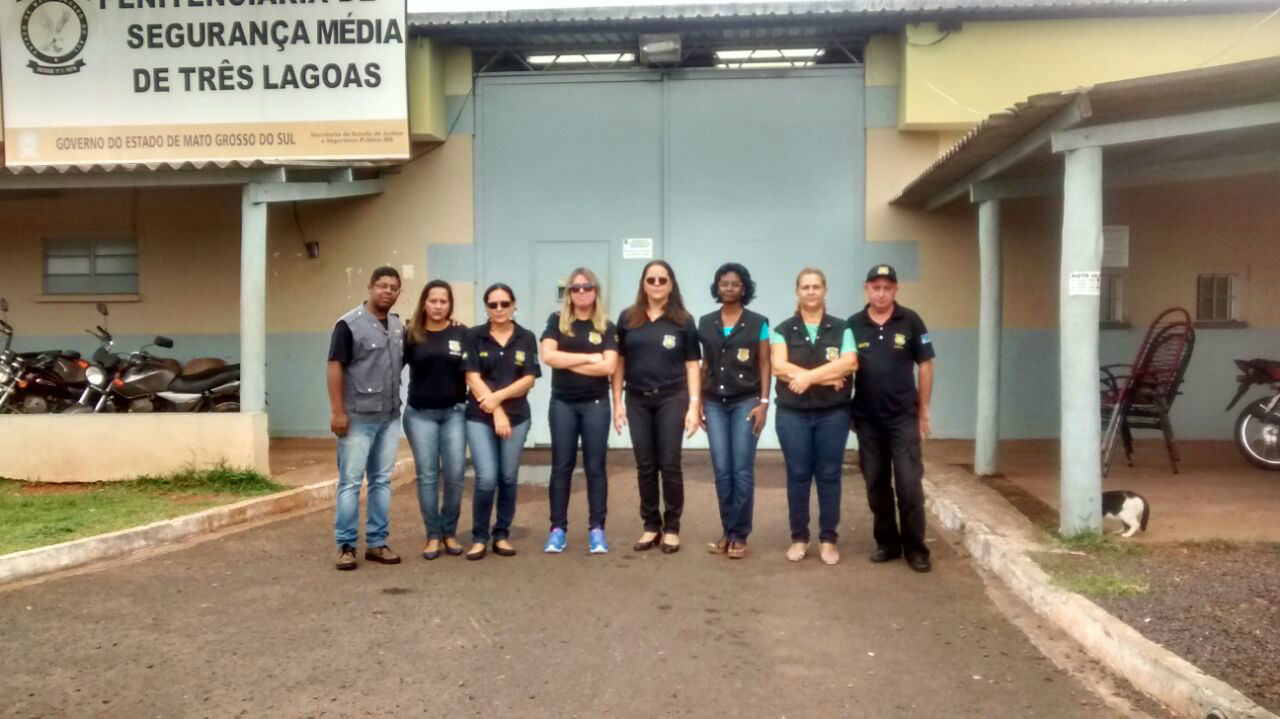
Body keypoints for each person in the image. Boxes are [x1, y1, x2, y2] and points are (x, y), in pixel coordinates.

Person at [848, 264, 937, 573]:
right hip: (867, 419)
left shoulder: (910, 321)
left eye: (887, 287)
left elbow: (925, 365)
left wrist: (923, 410)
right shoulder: (853, 325)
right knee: (876, 483)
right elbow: (845, 369)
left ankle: (916, 548)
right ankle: (887, 543)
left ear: (895, 289)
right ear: (866, 288)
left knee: (909, 483)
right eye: (876, 287)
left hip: (903, 418)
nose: (881, 293)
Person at [612, 260, 701, 555]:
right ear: (643, 284)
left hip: (671, 397)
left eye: (663, 280)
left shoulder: (684, 321)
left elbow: (692, 365)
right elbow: (619, 363)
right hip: (637, 399)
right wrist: (617, 402)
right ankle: (651, 525)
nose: (657, 285)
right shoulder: (628, 318)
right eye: (651, 280)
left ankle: (672, 527)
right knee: (645, 465)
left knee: (670, 463)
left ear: (671, 284)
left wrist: (693, 405)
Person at [770, 268, 857, 566]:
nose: (810, 291)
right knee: (798, 475)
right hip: (793, 415)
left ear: (825, 291)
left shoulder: (842, 328)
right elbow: (779, 367)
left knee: (829, 475)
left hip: (833, 414)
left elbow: (850, 363)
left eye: (816, 286)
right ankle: (799, 537)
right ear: (797, 292)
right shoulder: (783, 329)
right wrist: (824, 377)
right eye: (805, 287)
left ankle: (829, 539)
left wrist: (807, 378)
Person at [327, 266, 406, 571]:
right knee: (350, 482)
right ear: (370, 287)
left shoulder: (398, 327)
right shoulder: (349, 325)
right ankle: (346, 545)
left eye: (394, 287)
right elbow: (335, 367)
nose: (388, 291)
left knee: (382, 481)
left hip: (389, 417)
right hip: (357, 418)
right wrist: (337, 411)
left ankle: (377, 543)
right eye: (382, 286)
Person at [540, 268, 618, 554]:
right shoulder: (557, 322)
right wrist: (588, 358)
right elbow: (548, 356)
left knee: (596, 468)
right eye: (576, 288)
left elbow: (609, 366)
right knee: (562, 467)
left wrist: (565, 360)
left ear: (596, 290)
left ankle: (597, 529)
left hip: (596, 404)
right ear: (569, 293)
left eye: (587, 287)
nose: (582, 292)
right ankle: (557, 529)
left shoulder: (606, 327)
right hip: (563, 403)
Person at [697, 263, 770, 559]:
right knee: (722, 470)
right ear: (717, 287)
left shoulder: (758, 322)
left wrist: (764, 404)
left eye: (735, 283)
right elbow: (704, 365)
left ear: (745, 288)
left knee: (741, 470)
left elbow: (765, 364)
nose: (729, 288)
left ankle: (740, 534)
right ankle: (727, 531)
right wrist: (698, 401)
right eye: (723, 283)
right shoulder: (704, 322)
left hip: (745, 401)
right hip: (714, 402)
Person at [463, 283, 541, 560]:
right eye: (493, 304)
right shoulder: (474, 336)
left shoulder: (526, 337)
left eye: (504, 304)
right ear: (486, 307)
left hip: (517, 417)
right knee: (486, 477)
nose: (499, 309)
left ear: (514, 304)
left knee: (508, 477)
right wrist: (495, 409)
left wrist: (498, 400)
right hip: (479, 416)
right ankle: (479, 537)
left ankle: (502, 535)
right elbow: (471, 377)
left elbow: (528, 379)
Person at [402, 280, 469, 561]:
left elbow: (475, 370)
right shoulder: (411, 334)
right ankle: (432, 536)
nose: (438, 306)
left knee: (454, 476)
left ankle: (449, 533)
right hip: (420, 416)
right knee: (428, 477)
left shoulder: (462, 333)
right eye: (433, 301)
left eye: (444, 301)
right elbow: (391, 368)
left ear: (450, 304)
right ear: (424, 303)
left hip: (454, 413)